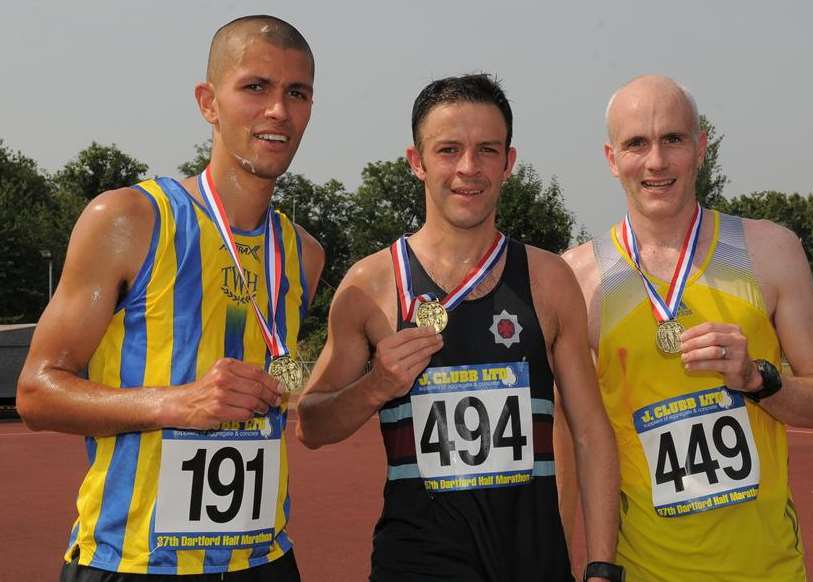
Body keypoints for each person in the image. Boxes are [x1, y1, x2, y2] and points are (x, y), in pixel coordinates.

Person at [16, 15, 324, 581]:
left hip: (265, 560)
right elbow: (37, 391)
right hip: (133, 563)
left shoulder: (303, 253)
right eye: (256, 87)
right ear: (209, 102)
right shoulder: (129, 220)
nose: (279, 110)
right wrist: (178, 404)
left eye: (296, 93)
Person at [295, 74, 621, 582]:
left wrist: (602, 567)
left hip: (531, 563)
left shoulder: (547, 279)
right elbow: (311, 424)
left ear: (508, 162)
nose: (468, 168)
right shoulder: (372, 283)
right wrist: (376, 386)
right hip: (416, 563)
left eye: (486, 150)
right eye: (448, 150)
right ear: (417, 161)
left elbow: (590, 432)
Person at [559, 74, 813, 581]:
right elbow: (571, 442)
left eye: (673, 138)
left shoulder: (771, 252)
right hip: (645, 569)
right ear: (611, 158)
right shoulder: (578, 280)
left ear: (701, 147)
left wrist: (759, 380)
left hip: (768, 569)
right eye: (636, 144)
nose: (656, 162)